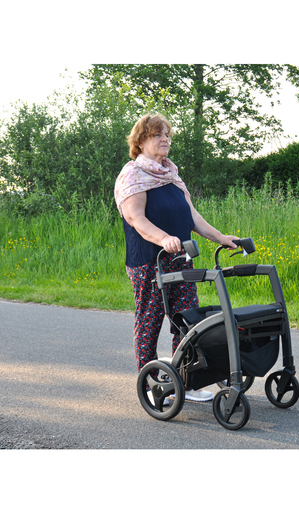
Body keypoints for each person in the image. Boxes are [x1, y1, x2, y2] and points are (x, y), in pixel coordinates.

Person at [114, 113, 238, 402]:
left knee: (186, 321)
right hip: (149, 261)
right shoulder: (133, 175)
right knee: (150, 321)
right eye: (158, 134)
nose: (165, 139)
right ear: (141, 141)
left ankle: (185, 381)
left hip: (181, 258)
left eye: (167, 134)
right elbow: (137, 219)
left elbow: (192, 216)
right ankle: (153, 386)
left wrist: (221, 237)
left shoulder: (171, 174)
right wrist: (163, 239)